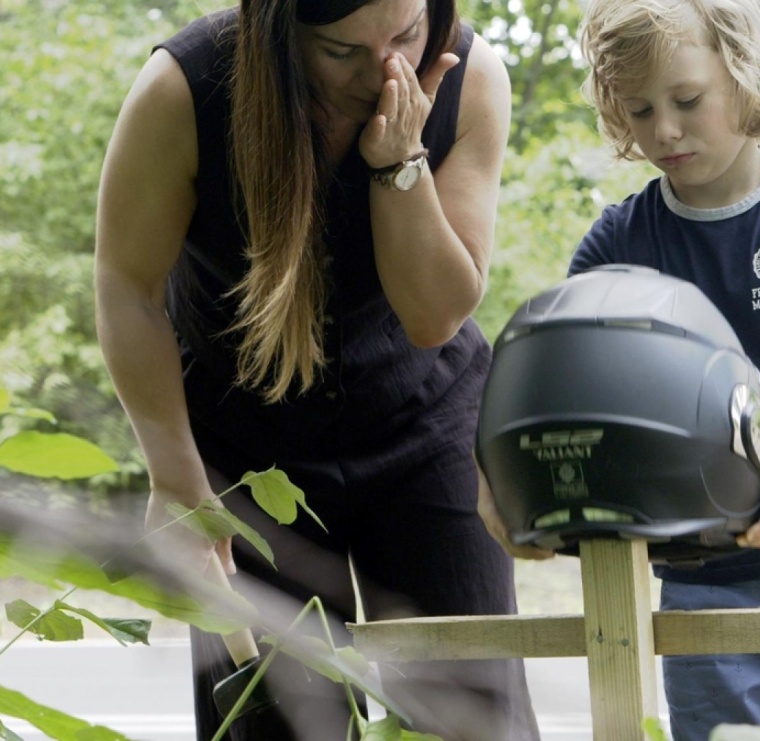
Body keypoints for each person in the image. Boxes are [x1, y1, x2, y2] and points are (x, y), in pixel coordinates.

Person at [93, 1, 539, 739]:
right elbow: (126, 286)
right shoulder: (186, 86)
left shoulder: (472, 76)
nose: (385, 71)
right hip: (244, 441)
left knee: (471, 711)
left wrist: (400, 161)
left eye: (404, 36)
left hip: (425, 423)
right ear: (281, 31)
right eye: (342, 52)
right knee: (274, 719)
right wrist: (175, 478)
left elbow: (435, 316)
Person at [495, 0, 760, 738]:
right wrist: (505, 483)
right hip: (700, 572)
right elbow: (555, 378)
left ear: (747, 76)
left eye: (687, 100)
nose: (663, 129)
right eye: (639, 109)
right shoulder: (618, 239)